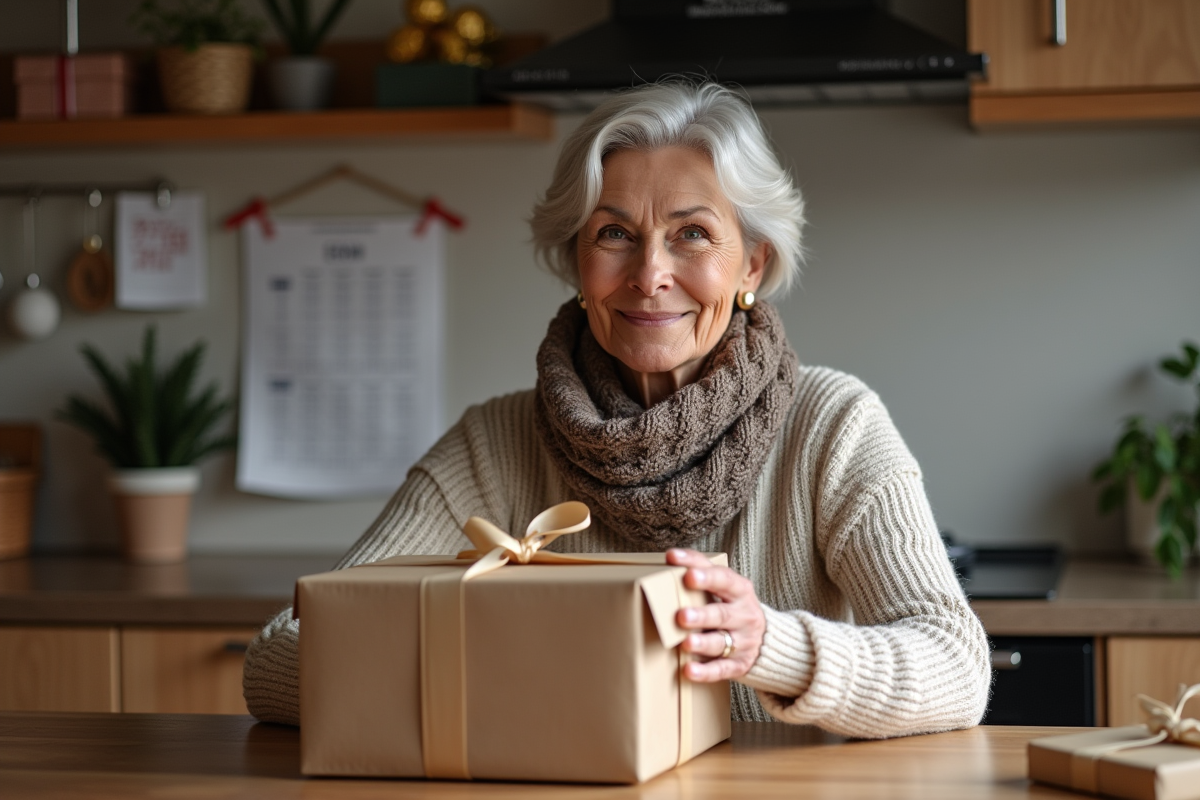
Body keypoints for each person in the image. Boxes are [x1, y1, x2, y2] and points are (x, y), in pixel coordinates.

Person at [243, 81, 990, 737]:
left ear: (751, 265)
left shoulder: (834, 424)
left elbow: (958, 667)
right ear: (577, 262)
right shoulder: (492, 442)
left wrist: (767, 647)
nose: (650, 274)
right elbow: (280, 655)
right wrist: (501, 665)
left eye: (691, 234)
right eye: (614, 235)